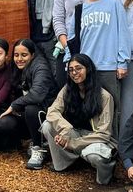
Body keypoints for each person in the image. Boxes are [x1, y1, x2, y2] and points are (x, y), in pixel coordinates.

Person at [67, 0, 131, 132]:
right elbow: (72, 38)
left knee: (112, 109)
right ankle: (92, 143)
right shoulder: (79, 9)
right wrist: (69, 60)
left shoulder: (114, 4)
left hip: (108, 66)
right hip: (86, 68)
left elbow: (123, 33)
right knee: (89, 108)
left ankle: (113, 144)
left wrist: (122, 62)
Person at [41, 54, 116, 184]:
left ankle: (107, 170)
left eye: (78, 68)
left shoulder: (104, 96)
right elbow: (52, 111)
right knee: (47, 125)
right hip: (74, 132)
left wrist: (73, 143)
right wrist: (65, 129)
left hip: (93, 138)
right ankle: (67, 162)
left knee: (96, 157)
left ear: (88, 69)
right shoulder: (67, 89)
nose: (74, 73)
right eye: (71, 70)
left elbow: (104, 134)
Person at [2, 39, 56, 170]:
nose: (19, 59)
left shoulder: (40, 68)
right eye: (16, 55)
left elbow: (36, 95)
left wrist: (15, 104)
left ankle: (38, 148)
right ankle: (29, 140)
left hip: (47, 111)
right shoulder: (17, 67)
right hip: (29, 112)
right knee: (6, 119)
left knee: (30, 109)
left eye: (24, 55)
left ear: (32, 55)